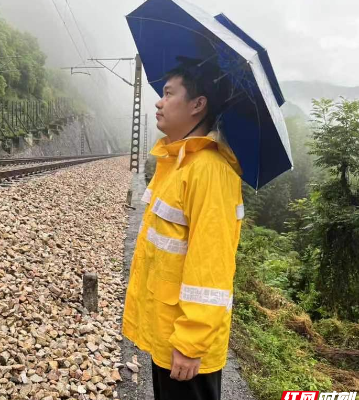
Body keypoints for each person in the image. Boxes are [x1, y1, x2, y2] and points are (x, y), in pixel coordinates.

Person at [122, 58, 245, 400]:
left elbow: (212, 265)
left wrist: (191, 342)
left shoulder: (209, 170)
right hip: (167, 331)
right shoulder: (178, 163)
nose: (159, 102)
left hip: (186, 346)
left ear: (197, 105)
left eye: (168, 93)